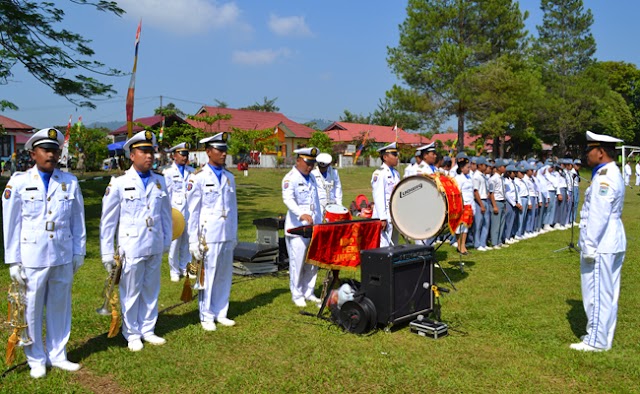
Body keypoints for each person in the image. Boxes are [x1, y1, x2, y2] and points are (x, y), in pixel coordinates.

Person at [3, 128, 86, 379]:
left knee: (60, 305)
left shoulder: (69, 181)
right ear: (33, 153)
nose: (51, 155)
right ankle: (36, 357)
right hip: (32, 255)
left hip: (61, 252)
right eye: (45, 150)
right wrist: (13, 259)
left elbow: (77, 219)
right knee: (32, 307)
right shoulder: (19, 182)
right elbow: (11, 222)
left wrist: (78, 250)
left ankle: (58, 354)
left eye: (54, 150)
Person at [99, 130, 172, 352]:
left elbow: (167, 215)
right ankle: (131, 332)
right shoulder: (120, 183)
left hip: (154, 242)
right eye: (143, 151)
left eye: (151, 151)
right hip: (131, 245)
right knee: (131, 291)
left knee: (151, 288)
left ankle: (148, 329)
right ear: (132, 155)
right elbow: (108, 222)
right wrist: (106, 252)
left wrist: (167, 240)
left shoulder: (160, 181)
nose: (149, 156)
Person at [571, 130, 626, 352]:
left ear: (601, 152)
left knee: (597, 291)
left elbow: (599, 215)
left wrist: (590, 245)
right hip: (611, 239)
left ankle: (596, 340)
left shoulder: (605, 178)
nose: (587, 155)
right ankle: (603, 338)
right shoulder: (609, 173)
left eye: (589, 150)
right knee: (608, 292)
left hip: (602, 242)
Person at [187, 133, 238, 331]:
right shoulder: (198, 177)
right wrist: (193, 241)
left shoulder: (229, 177)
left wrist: (233, 234)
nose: (224, 154)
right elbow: (193, 212)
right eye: (219, 150)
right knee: (208, 275)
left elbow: (233, 209)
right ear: (208, 152)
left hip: (225, 233)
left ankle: (221, 312)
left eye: (225, 150)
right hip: (207, 235)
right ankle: (206, 314)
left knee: (225, 274)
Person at [282, 147, 322, 307]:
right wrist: (300, 214)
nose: (310, 166)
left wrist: (319, 220)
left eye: (312, 163)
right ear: (298, 160)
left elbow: (316, 202)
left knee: (312, 262)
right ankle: (297, 293)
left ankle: (309, 291)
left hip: (313, 227)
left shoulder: (312, 177)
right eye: (307, 163)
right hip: (297, 228)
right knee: (297, 262)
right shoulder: (290, 178)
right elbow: (288, 199)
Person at [163, 142, 195, 282]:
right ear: (174, 156)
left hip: (189, 210)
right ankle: (174, 270)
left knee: (187, 241)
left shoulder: (191, 171)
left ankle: (184, 267)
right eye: (182, 154)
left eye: (186, 154)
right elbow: (167, 194)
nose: (184, 157)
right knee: (175, 242)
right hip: (175, 211)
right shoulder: (168, 173)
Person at [371, 142, 401, 247]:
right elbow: (378, 196)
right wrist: (382, 218)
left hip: (395, 212)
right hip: (384, 212)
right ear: (385, 157)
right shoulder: (380, 173)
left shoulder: (396, 173)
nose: (397, 157)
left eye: (397, 155)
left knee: (394, 242)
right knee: (384, 243)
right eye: (394, 155)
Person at [453, 154, 473, 255]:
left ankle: (463, 246)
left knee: (465, 227)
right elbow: (457, 193)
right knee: (459, 227)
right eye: (467, 167)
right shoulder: (458, 178)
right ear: (461, 168)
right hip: (462, 205)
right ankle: (459, 245)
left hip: (468, 204)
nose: (469, 169)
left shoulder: (468, 177)